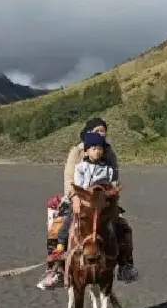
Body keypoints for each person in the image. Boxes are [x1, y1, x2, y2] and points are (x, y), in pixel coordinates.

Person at [37, 118, 137, 289]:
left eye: (104, 130)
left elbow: (114, 179)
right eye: (98, 130)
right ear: (89, 133)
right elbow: (69, 179)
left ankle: (125, 265)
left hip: (103, 200)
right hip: (78, 197)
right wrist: (75, 197)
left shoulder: (108, 152)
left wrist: (109, 198)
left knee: (122, 226)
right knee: (57, 227)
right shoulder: (77, 152)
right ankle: (56, 270)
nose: (102, 133)